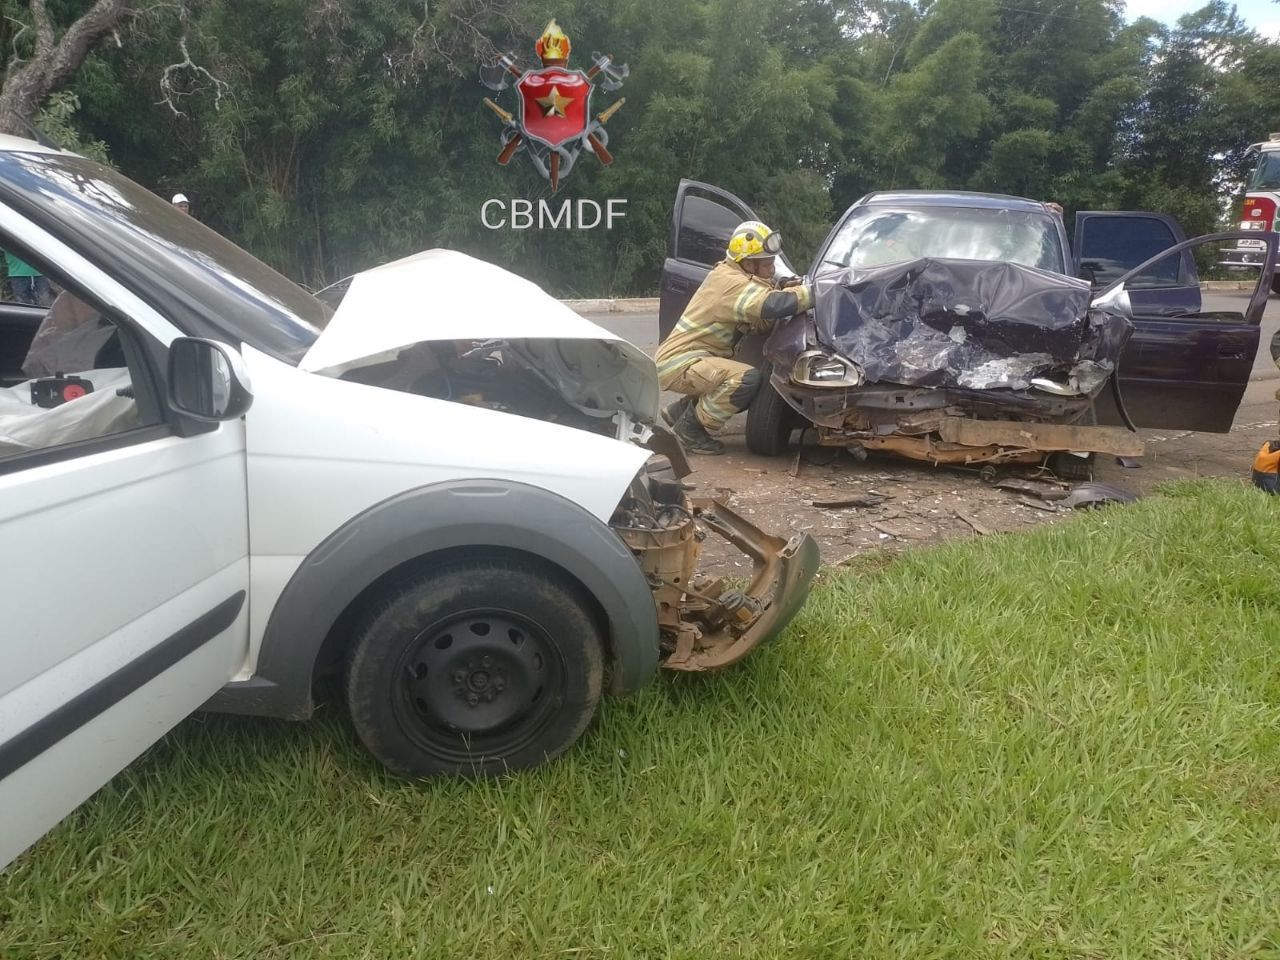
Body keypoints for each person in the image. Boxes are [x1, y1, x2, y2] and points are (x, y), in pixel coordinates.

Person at [655, 220, 815, 454]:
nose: (772, 270)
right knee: (745, 381)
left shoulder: (730, 273)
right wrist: (815, 292)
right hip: (680, 362)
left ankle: (680, 411)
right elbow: (772, 304)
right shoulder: (731, 284)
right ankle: (689, 430)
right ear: (748, 263)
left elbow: (759, 321)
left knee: (743, 383)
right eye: (767, 264)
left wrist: (781, 285)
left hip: (686, 358)